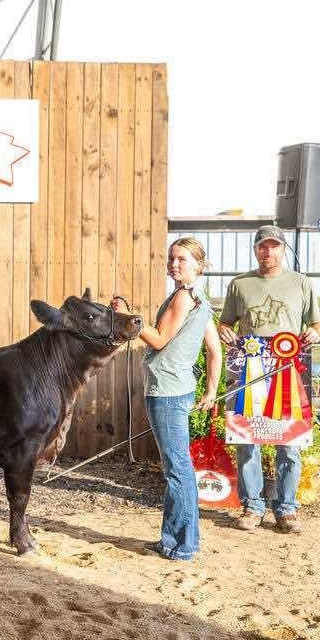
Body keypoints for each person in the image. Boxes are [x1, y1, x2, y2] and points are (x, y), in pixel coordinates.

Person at [111, 237, 221, 561]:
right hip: (180, 390)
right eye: (171, 258)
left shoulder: (184, 297)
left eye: (182, 259)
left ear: (198, 264)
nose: (174, 264)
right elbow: (214, 351)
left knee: (177, 470)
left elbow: (159, 340)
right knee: (179, 468)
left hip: (167, 392)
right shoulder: (200, 298)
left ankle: (182, 545)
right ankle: (176, 540)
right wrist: (211, 391)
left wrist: (129, 318)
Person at [218, 225, 320, 535]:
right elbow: (225, 323)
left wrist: (314, 333)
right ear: (255, 249)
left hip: (288, 371)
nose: (268, 251)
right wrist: (225, 332)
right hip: (249, 369)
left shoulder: (301, 283)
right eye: (263, 246)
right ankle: (252, 506)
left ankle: (287, 509)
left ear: (283, 249)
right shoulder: (240, 284)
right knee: (247, 439)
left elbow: (317, 325)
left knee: (288, 441)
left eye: (274, 246)